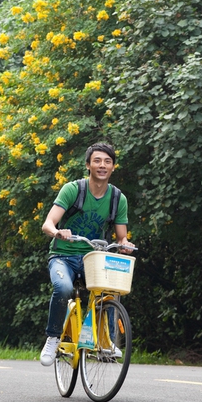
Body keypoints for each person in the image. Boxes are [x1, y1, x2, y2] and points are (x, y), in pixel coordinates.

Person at [39, 142, 134, 366]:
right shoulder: (74, 190)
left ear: (113, 167)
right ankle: (53, 337)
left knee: (110, 290)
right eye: (97, 161)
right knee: (62, 288)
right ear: (88, 165)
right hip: (63, 256)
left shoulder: (117, 199)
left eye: (107, 162)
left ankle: (105, 340)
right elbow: (48, 224)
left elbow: (121, 237)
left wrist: (125, 243)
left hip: (94, 259)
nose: (102, 165)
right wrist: (57, 232)